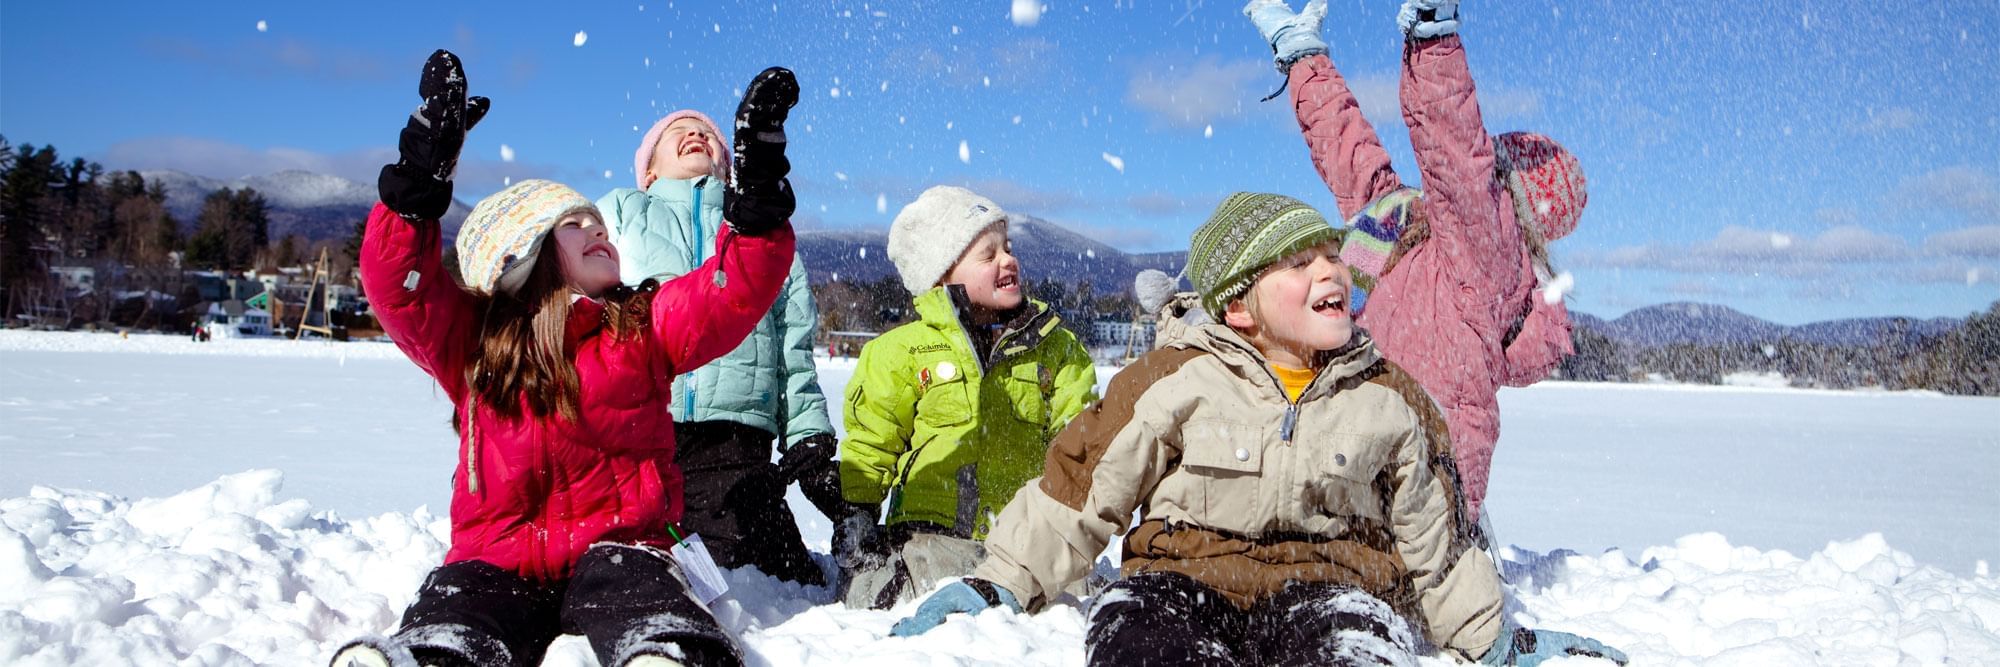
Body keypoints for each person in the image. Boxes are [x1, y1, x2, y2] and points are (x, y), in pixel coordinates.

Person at [889, 192, 1626, 666]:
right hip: (1176, 584)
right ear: (1238, 305)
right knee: (1140, 649)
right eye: (1298, 262)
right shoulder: (1175, 379)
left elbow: (1435, 535)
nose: (1329, 271)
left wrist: (1487, 635)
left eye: (1332, 255)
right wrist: (1003, 581)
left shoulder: (1388, 397)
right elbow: (1082, 487)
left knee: (1357, 652)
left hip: (1333, 587)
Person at [329, 51, 799, 667]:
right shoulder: (476, 342)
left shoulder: (640, 326)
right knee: (458, 604)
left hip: (621, 544)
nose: (598, 228)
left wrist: (757, 200)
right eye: (576, 222)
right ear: (522, 252)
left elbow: (730, 291)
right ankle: (428, 656)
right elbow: (398, 285)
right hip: (495, 554)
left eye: (599, 220)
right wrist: (418, 182)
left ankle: (665, 653)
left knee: (645, 592)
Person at [1252, 0, 1587, 516]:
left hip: (1415, 486)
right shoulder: (1402, 226)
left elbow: (1452, 143)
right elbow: (1349, 150)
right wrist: (1304, 60)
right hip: (1356, 455)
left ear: (1507, 198)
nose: (1478, 178)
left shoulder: (1487, 257)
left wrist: (1434, 38)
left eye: (1491, 175)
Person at [596, 99, 838, 587]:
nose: (696, 136)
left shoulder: (758, 234)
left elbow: (794, 350)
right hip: (640, 425)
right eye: (678, 132)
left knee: (773, 571)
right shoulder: (620, 212)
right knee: (638, 550)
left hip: (736, 433)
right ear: (648, 171)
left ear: (730, 167)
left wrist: (807, 431)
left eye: (708, 135)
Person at [832, 185, 1098, 610]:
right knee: (905, 603)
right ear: (942, 275)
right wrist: (858, 512)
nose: (1008, 259)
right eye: (988, 254)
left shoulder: (1056, 348)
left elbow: (1081, 437)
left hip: (1023, 541)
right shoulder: (901, 351)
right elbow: (871, 443)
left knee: (1064, 604)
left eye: (1008, 248)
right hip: (929, 539)